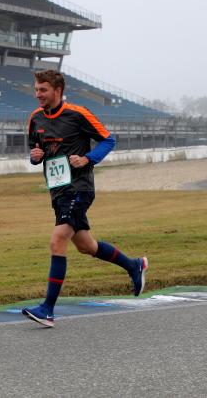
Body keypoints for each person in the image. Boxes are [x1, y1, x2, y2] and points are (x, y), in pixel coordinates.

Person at [21, 69, 148, 328]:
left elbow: (108, 140)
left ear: (57, 91)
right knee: (86, 246)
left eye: (43, 90)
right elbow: (37, 150)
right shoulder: (35, 118)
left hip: (79, 188)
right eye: (36, 90)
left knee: (57, 241)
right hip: (57, 191)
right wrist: (35, 157)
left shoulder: (78, 113)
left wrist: (88, 158)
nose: (38, 95)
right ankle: (134, 266)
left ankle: (47, 309)